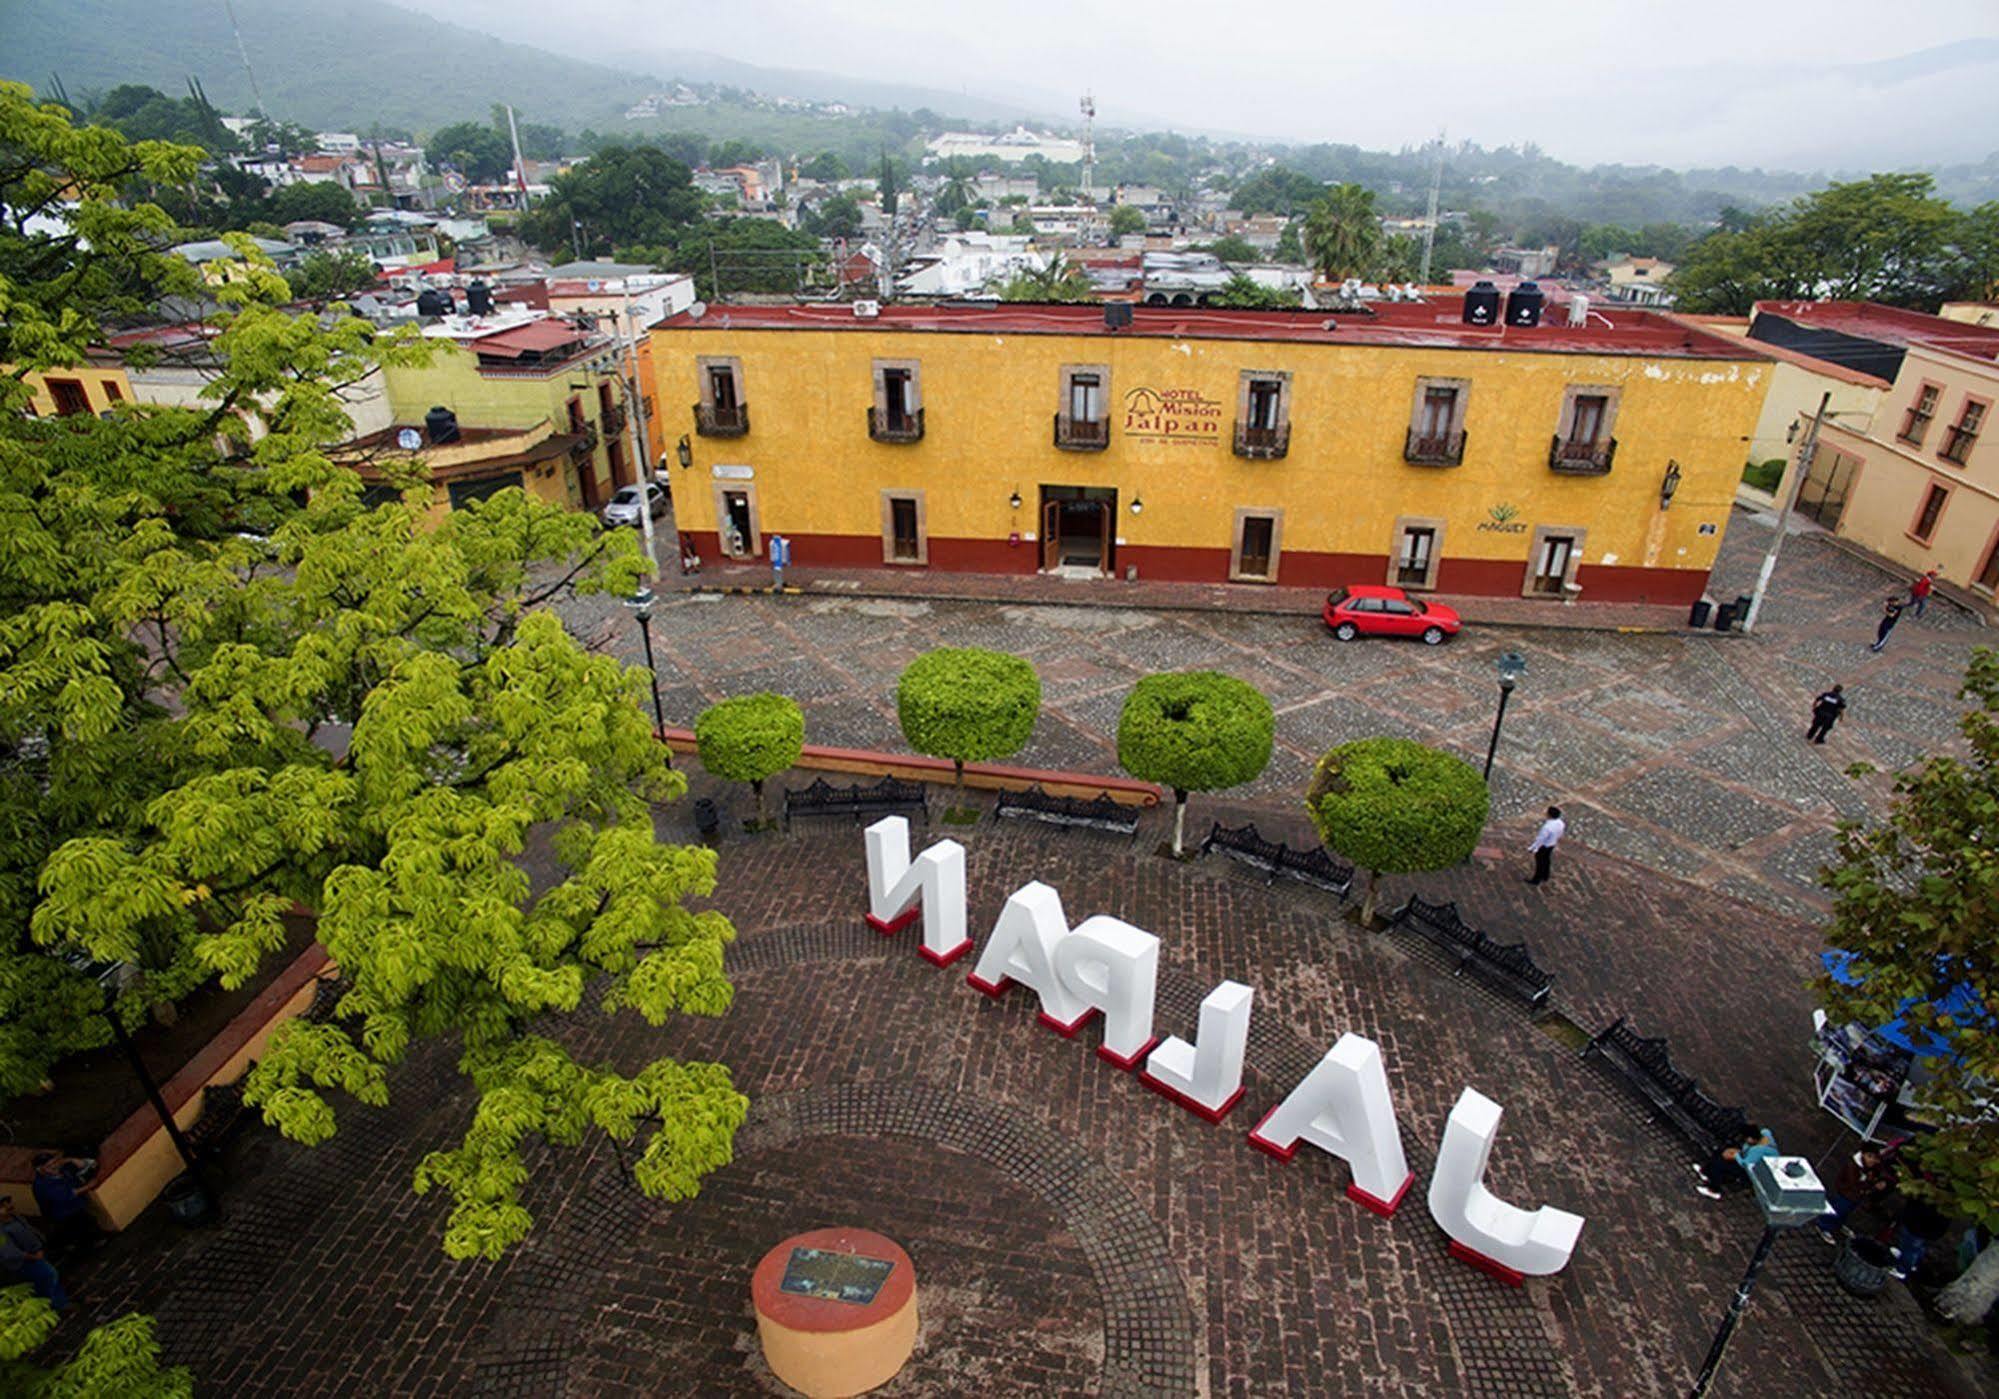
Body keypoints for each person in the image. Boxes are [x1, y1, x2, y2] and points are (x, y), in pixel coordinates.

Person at [0, 1197, 69, 1311]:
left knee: (45, 1279)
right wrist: (33, 1256)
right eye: (2, 1206)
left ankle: (50, 1303)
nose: (8, 1207)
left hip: (37, 1254)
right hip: (24, 1262)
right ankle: (59, 1305)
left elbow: (29, 1230)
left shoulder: (15, 1217)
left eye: (7, 1203)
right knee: (49, 1275)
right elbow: (9, 1252)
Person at [1816, 1144, 1895, 1241]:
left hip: (1857, 1195)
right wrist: (1873, 1185)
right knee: (1838, 1209)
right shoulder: (1853, 1166)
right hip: (1845, 1193)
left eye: (1875, 1158)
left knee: (1846, 1211)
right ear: (1863, 1154)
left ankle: (1838, 1224)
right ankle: (1824, 1226)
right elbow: (1854, 1184)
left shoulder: (1874, 1166)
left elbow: (1878, 1174)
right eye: (1869, 1156)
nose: (1872, 1160)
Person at [30, 1153, 101, 1256]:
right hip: (64, 1214)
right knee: (81, 1229)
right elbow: (65, 1196)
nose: (54, 1166)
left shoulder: (61, 1170)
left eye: (54, 1162)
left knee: (87, 1225)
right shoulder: (41, 1185)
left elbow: (88, 1164)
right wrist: (88, 1187)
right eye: (49, 1166)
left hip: (75, 1207)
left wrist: (70, 1159)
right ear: (40, 1169)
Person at [1693, 1125, 1778, 1200]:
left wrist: (1736, 1156)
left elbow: (1745, 1164)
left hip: (1753, 1171)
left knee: (1720, 1165)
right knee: (1720, 1153)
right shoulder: (1765, 1134)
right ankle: (1706, 1172)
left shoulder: (1757, 1150)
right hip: (1750, 1160)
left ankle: (1714, 1190)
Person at [1525, 805, 1565, 887]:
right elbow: (1560, 833)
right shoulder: (1561, 823)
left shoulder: (1547, 827)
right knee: (1546, 860)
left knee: (1540, 862)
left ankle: (1536, 879)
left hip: (1544, 846)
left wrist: (1533, 848)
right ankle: (1545, 875)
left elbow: (1540, 839)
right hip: (1552, 844)